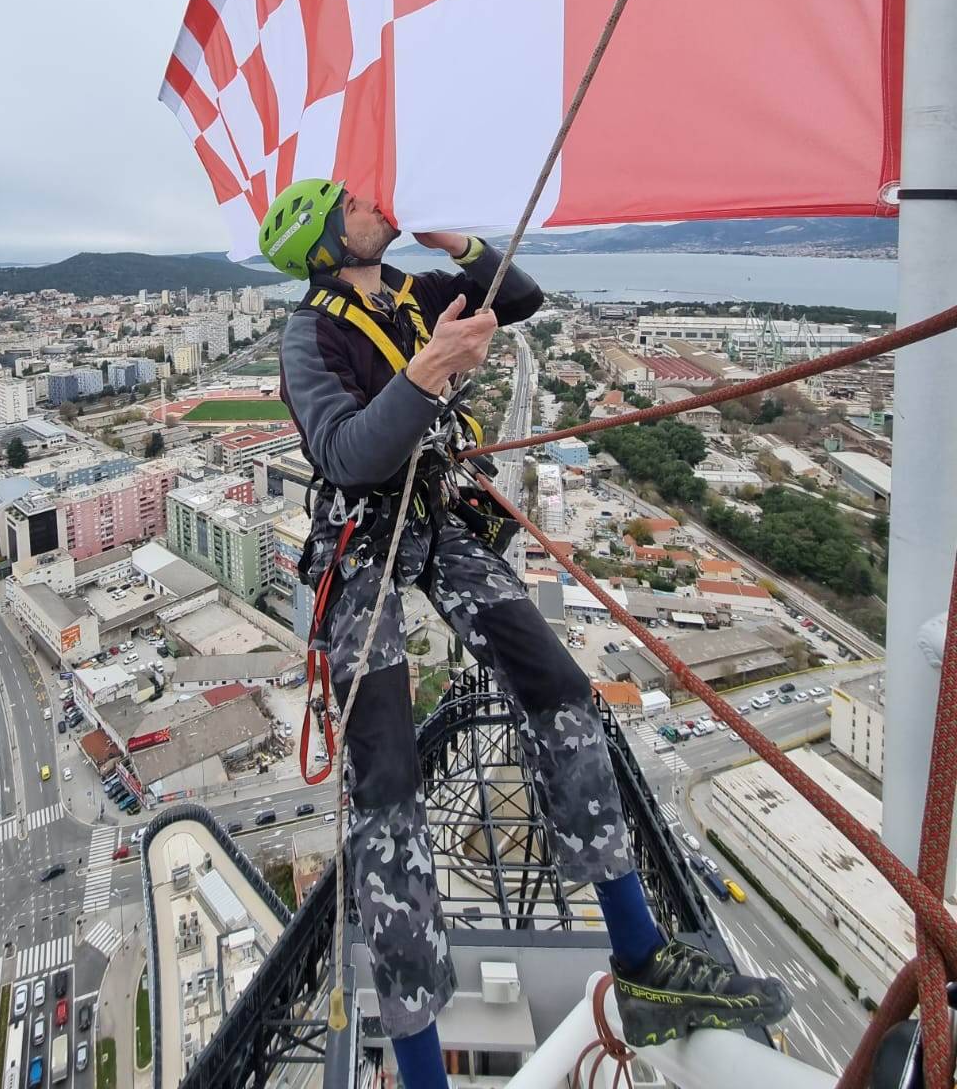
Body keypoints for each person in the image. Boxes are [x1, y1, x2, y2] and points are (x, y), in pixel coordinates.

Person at [261, 179, 790, 1079]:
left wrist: (454, 244)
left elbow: (519, 298)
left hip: (436, 517)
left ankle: (640, 955)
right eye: (355, 204)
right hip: (363, 544)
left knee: (561, 686)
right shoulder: (311, 334)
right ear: (321, 240)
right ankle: (423, 1068)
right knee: (386, 787)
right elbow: (346, 453)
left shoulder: (411, 293)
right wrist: (430, 370)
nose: (375, 205)